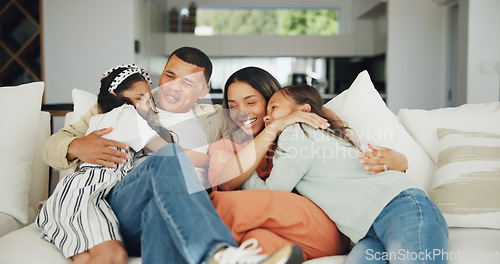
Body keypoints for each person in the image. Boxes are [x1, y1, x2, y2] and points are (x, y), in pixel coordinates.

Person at [42, 50, 303, 264]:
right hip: (122, 205)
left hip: (173, 210)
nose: (173, 88)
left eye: (187, 82)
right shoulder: (132, 104)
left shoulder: (219, 117)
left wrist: (296, 115)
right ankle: (217, 253)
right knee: (169, 156)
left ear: (203, 91)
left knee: (160, 210)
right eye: (170, 75)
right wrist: (76, 146)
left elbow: (256, 125)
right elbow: (53, 145)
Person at [241, 84, 449, 264]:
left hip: (398, 207)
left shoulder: (297, 131)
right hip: (366, 233)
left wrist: (244, 171)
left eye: (274, 107)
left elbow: (273, 193)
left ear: (303, 110)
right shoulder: (319, 134)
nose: (268, 116)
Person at [208, 67, 350, 260]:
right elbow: (225, 183)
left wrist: (284, 119)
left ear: (270, 100)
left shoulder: (297, 132)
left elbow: (328, 121)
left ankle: (199, 238)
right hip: (283, 239)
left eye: (251, 102)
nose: (242, 113)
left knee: (224, 204)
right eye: (233, 107)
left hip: (317, 230)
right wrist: (273, 128)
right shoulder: (225, 146)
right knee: (255, 241)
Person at [37, 64, 166, 264]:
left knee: (89, 259)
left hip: (90, 196)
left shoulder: (147, 112)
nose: (145, 105)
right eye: (139, 98)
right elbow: (170, 152)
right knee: (113, 256)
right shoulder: (121, 113)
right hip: (85, 193)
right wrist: (77, 146)